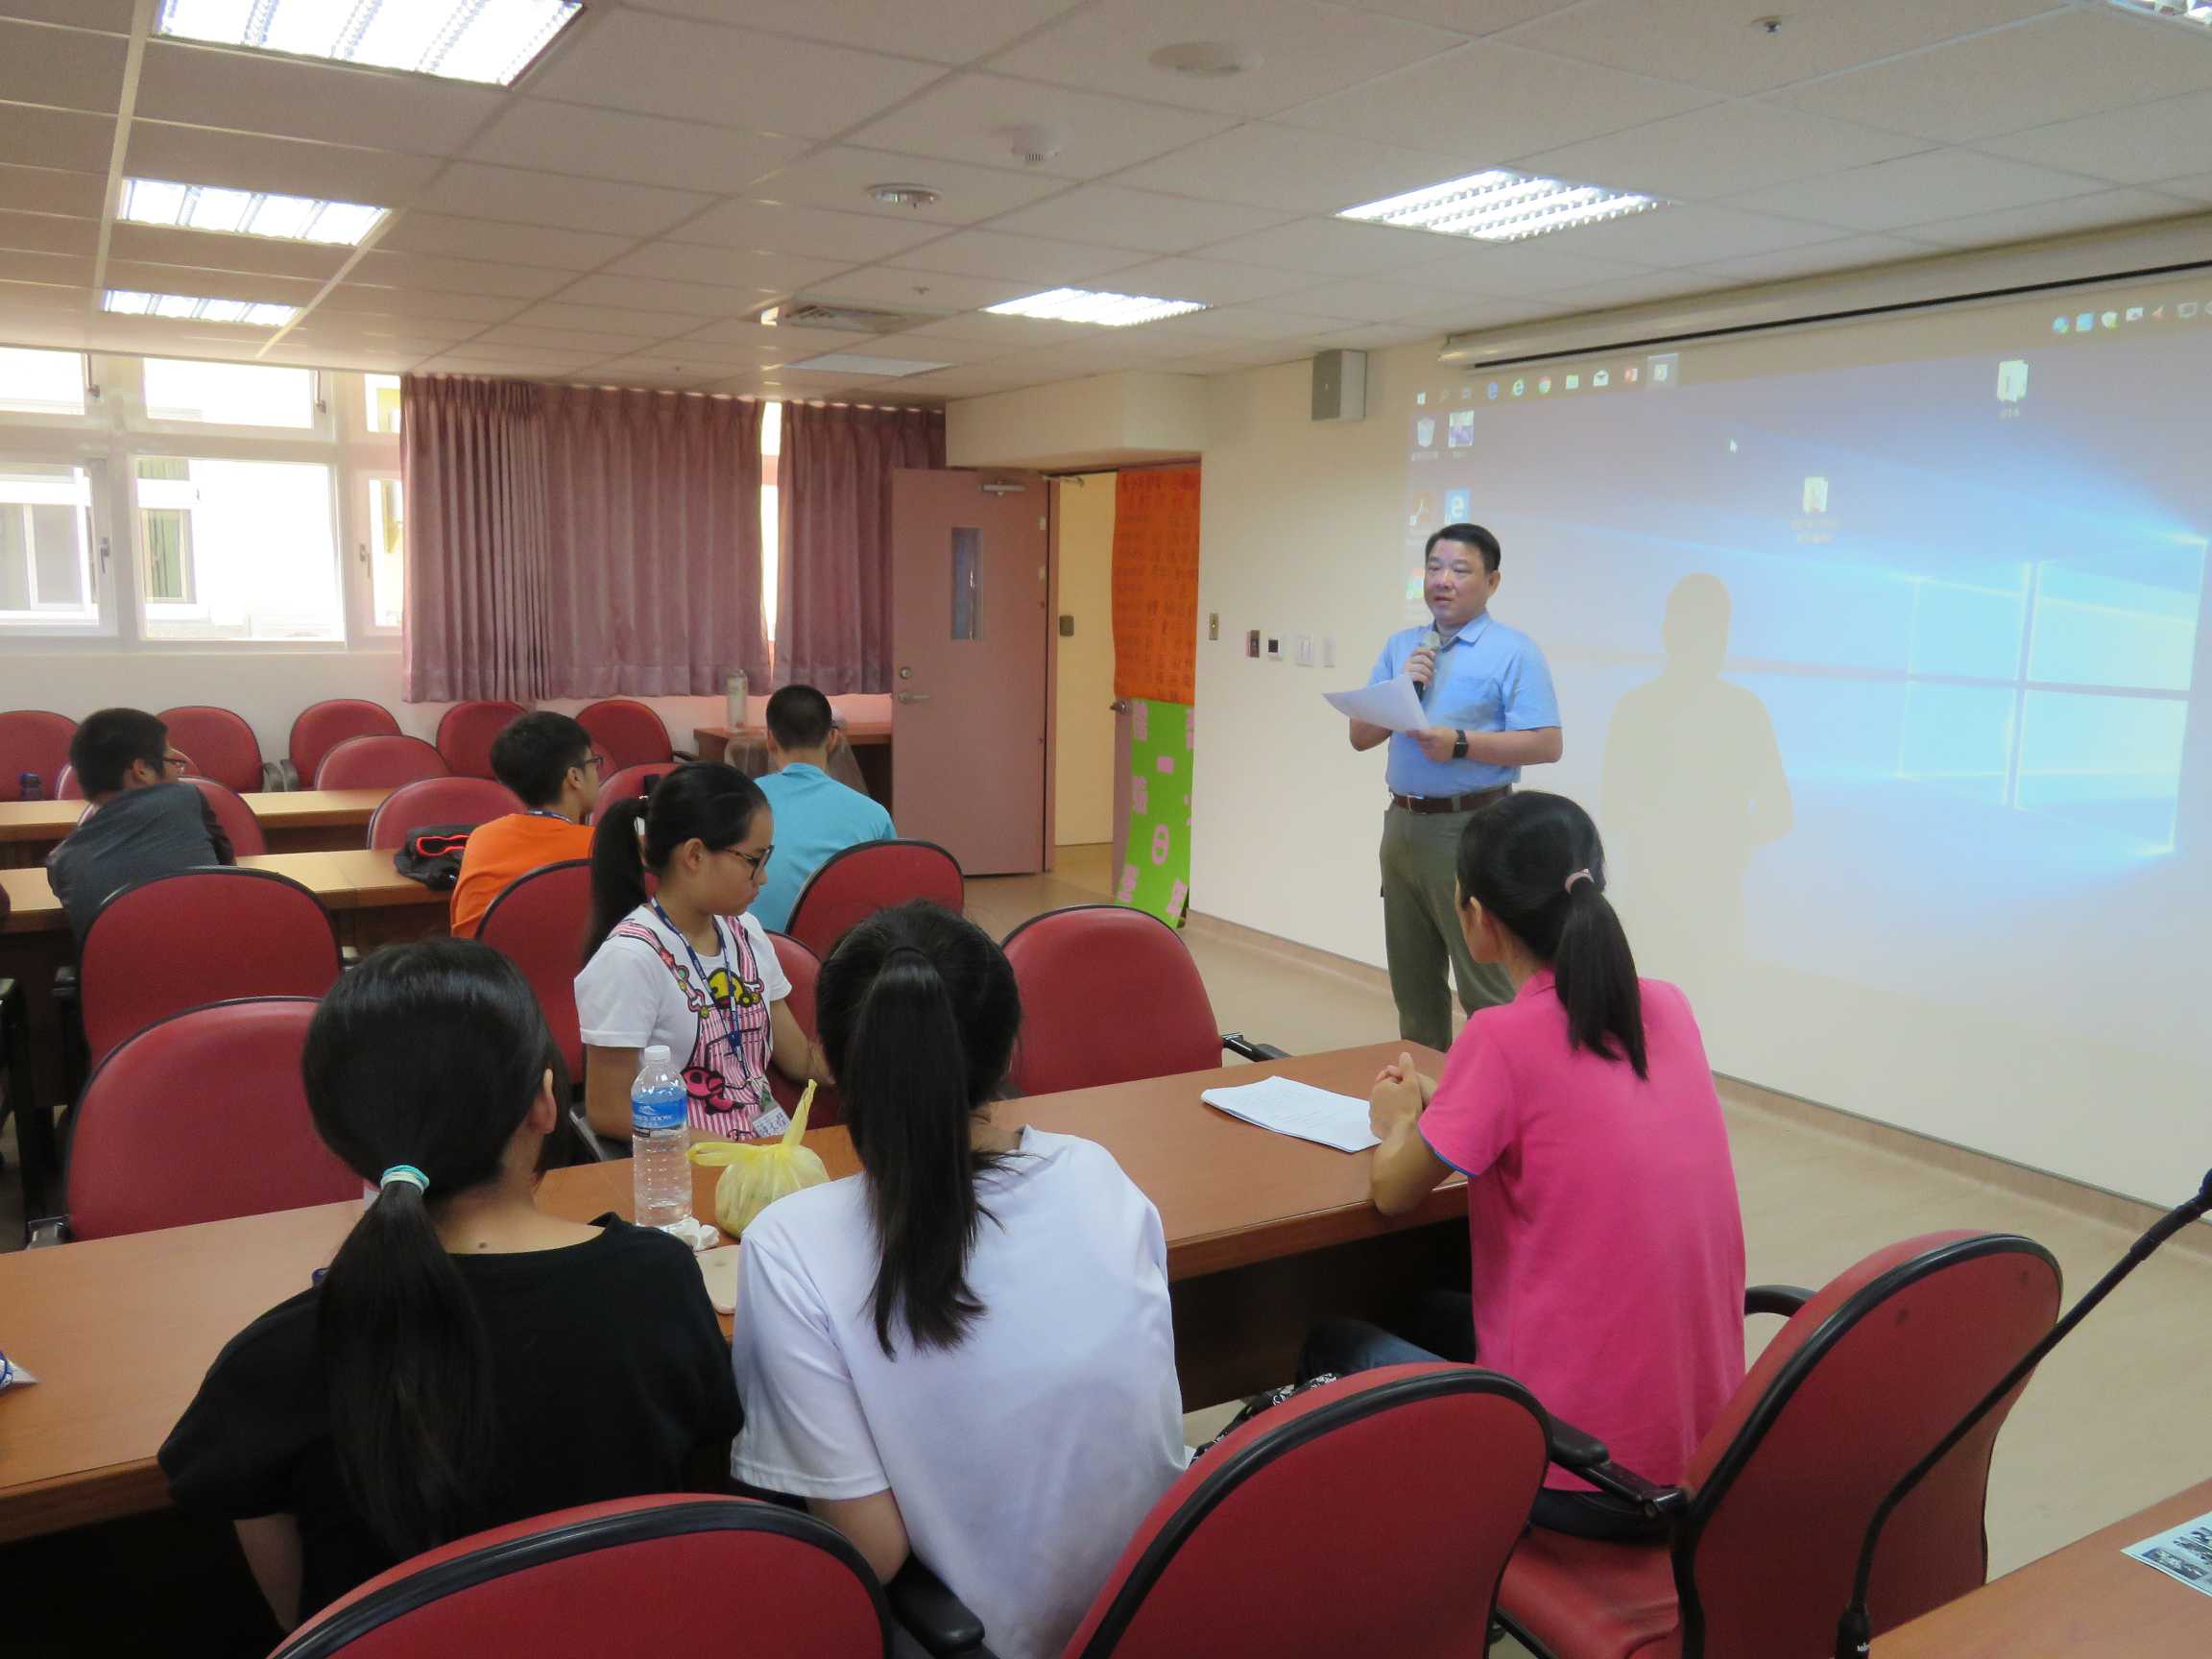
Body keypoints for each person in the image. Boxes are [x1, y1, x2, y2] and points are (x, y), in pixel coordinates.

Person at [158, 940, 739, 1628]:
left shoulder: (274, 1361)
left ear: (338, 1137)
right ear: (545, 1105)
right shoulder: (658, 1284)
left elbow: (302, 1627)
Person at [729, 902, 1186, 1659]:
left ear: (831, 1060)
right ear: (1008, 1047)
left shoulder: (790, 1247)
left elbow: (868, 1557)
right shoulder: (1095, 1174)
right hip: (1159, 1613)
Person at [1299, 792, 1744, 1543]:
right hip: (1708, 1461)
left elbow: (1394, 1192)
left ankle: (1405, 1577)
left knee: (1329, 1341)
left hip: (1585, 1476)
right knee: (1419, 1304)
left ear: (1476, 916)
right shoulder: (1665, 1007)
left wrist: (1399, 1121)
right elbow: (1560, 1109)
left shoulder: (1502, 1039)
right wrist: (1450, 1104)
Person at [1347, 522, 1561, 1049]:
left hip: (1474, 828)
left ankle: (1505, 1107)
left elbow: (1546, 743)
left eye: (1460, 570)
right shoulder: (1402, 647)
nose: (1443, 580)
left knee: (1485, 985)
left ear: (1492, 582)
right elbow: (1360, 735)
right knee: (1413, 982)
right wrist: (1405, 689)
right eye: (1435, 568)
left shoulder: (1513, 651)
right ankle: (1426, 1103)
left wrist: (1462, 744)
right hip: (1402, 826)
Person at [576, 761, 824, 1142]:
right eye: (754, 861)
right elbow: (609, 1109)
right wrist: (718, 1148)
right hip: (689, 1166)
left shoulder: (746, 934)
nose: (764, 877)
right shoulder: (630, 958)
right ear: (694, 856)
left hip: (766, 1153)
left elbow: (800, 1058)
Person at [47, 706, 233, 940]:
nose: (178, 772)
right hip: (214, 963)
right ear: (142, 770)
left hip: (115, 975)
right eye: (171, 761)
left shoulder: (61, 862)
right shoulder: (185, 797)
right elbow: (230, 873)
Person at [749, 685, 894, 934]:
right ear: (832, 738)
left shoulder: (741, 801)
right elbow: (889, 890)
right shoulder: (874, 814)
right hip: (842, 953)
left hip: (757, 952)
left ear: (770, 740)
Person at [448, 710, 601, 938]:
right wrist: (641, 823)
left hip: (479, 969)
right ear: (575, 777)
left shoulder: (482, 837)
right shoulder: (600, 845)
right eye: (594, 763)